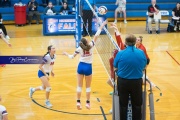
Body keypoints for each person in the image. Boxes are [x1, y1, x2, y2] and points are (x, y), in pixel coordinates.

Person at [63, 20, 107, 110]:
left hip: (80, 66)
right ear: (87, 42)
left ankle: (78, 102)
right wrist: (101, 26)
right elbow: (96, 36)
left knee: (79, 86)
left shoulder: (79, 48)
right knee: (88, 86)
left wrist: (66, 54)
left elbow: (72, 57)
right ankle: (87, 103)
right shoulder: (91, 45)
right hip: (88, 67)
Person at [114, 34, 147, 120]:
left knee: (123, 105)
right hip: (136, 83)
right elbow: (144, 64)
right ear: (135, 42)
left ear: (125, 43)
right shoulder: (141, 53)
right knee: (137, 105)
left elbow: (115, 64)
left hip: (123, 82)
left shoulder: (121, 53)